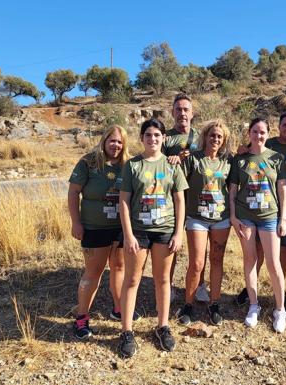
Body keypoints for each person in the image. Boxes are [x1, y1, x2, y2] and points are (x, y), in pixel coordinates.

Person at [117, 118, 188, 358]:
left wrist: (179, 233)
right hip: (138, 230)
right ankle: (127, 331)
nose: (153, 139)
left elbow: (180, 200)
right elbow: (124, 201)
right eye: (148, 135)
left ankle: (163, 326)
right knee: (132, 279)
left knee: (163, 280)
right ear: (142, 138)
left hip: (165, 229)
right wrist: (127, 234)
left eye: (157, 135)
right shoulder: (132, 165)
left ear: (164, 138)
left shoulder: (171, 165)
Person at [236, 112, 286, 308]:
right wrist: (242, 149)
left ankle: (281, 291)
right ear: (277, 127)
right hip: (263, 207)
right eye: (285, 125)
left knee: (282, 251)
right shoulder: (270, 146)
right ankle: (251, 289)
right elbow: (252, 153)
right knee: (258, 251)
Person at [68, 125, 135, 340]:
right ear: (104, 140)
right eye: (112, 140)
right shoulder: (88, 162)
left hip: (121, 227)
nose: (116, 145)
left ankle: (118, 309)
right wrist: (76, 222)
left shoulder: (128, 164)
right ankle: (82, 317)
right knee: (93, 273)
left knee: (119, 267)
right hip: (94, 227)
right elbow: (73, 193)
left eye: (120, 141)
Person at [229, 118, 286, 333]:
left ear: (267, 134)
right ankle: (254, 305)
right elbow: (233, 190)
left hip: (269, 216)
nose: (258, 135)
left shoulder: (276, 158)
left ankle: (280, 309)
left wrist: (282, 219)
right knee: (250, 260)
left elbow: (282, 190)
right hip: (245, 216)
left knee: (273, 263)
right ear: (249, 133)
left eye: (262, 132)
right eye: (255, 131)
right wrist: (233, 217)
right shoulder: (240, 160)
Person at [176, 119, 233, 326]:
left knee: (217, 260)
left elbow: (233, 187)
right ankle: (189, 304)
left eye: (219, 136)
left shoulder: (228, 161)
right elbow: (179, 182)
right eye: (212, 135)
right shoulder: (194, 159)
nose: (215, 139)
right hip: (197, 217)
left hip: (220, 218)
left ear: (224, 139)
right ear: (205, 137)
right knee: (197, 263)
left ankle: (214, 303)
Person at [163, 93, 209, 303]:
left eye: (186, 109)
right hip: (172, 201)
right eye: (178, 109)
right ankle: (168, 286)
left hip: (198, 199)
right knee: (170, 245)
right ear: (172, 112)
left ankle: (200, 285)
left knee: (201, 247)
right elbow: (154, 163)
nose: (182, 113)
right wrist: (169, 160)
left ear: (192, 113)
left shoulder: (202, 136)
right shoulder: (165, 138)